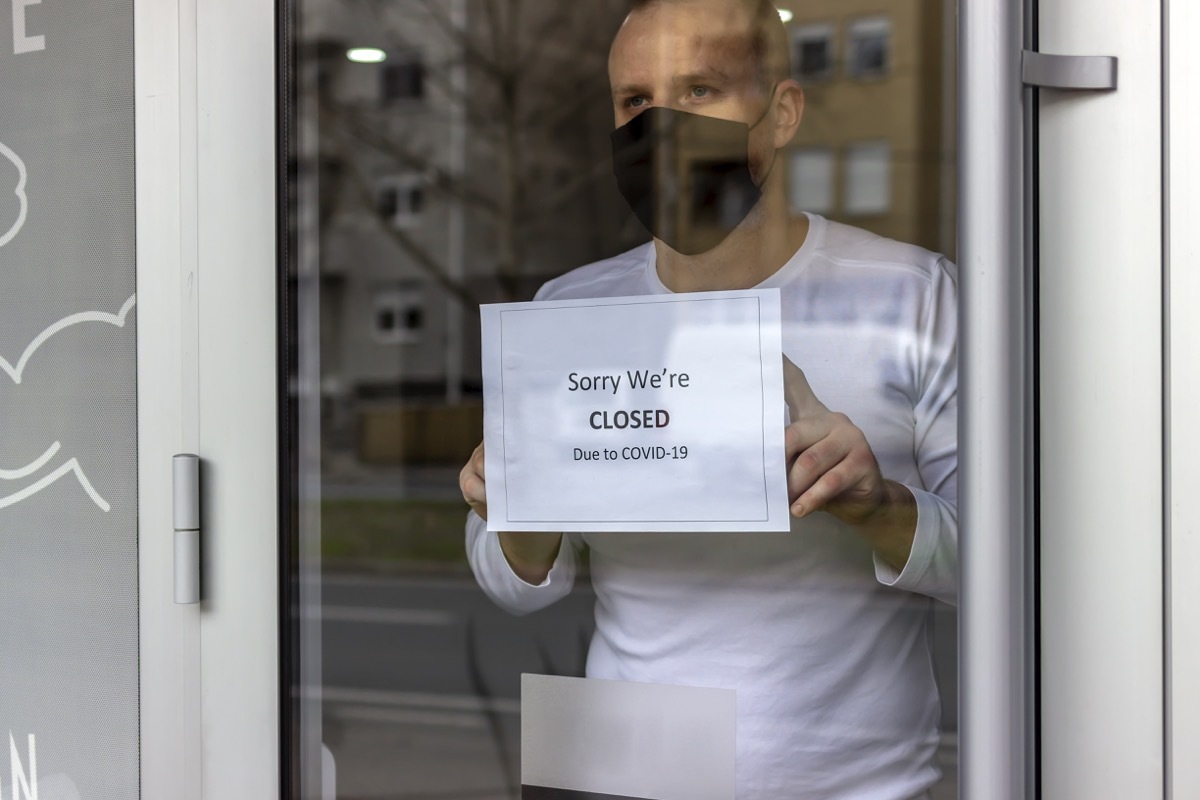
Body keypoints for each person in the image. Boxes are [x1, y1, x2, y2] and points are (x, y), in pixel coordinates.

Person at [460, 0, 957, 797]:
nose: (658, 127)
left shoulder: (908, 294)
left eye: (697, 91)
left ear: (782, 112)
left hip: (856, 787)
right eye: (634, 102)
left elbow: (1001, 567)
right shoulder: (570, 315)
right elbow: (510, 580)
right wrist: (519, 508)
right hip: (624, 775)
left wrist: (878, 506)